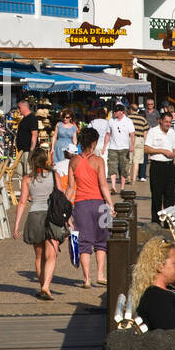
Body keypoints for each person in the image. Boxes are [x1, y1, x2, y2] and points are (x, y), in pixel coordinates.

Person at [13, 147, 69, 300]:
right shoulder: (54, 175)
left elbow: (23, 202)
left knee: (39, 256)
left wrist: (17, 224)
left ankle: (42, 285)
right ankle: (46, 286)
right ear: (46, 160)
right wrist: (68, 219)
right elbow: (61, 198)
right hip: (52, 217)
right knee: (51, 255)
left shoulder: (27, 179)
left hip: (34, 216)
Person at [66, 126, 115, 288]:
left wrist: (65, 207)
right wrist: (110, 204)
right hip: (99, 205)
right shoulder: (99, 161)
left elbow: (70, 188)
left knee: (84, 242)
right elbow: (103, 185)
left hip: (81, 205)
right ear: (94, 142)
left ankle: (86, 279)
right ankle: (101, 274)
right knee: (102, 240)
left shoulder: (73, 161)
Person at [145, 110, 175, 223]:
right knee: (157, 195)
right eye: (166, 122)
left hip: (169, 166)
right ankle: (155, 221)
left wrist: (172, 154)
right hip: (157, 166)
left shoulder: (172, 132)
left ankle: (169, 222)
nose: (168, 124)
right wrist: (162, 151)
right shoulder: (153, 131)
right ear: (160, 121)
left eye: (170, 122)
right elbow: (146, 149)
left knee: (170, 195)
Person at [106, 103, 135, 194]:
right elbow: (108, 134)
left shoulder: (128, 121)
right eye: (114, 111)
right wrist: (104, 146)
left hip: (124, 147)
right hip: (112, 147)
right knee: (112, 167)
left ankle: (122, 187)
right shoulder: (111, 121)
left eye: (116, 111)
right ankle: (113, 187)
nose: (114, 113)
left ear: (121, 112)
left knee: (124, 167)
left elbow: (132, 134)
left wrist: (132, 145)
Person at [14, 99, 39, 178]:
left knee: (28, 173)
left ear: (25, 107)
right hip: (22, 151)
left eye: (19, 107)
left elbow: (34, 134)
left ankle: (28, 190)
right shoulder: (24, 119)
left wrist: (32, 150)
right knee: (20, 173)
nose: (18, 110)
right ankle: (23, 189)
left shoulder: (32, 118)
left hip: (28, 151)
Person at [130, 102, 148, 181]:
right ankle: (134, 179)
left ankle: (128, 178)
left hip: (130, 139)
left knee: (129, 160)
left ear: (130, 110)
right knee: (136, 161)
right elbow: (145, 132)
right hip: (140, 140)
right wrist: (144, 142)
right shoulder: (143, 119)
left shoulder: (128, 118)